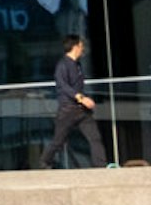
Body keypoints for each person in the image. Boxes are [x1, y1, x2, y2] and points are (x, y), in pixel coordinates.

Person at [44, 38, 106, 171]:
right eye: (81, 45)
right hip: (68, 109)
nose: (83, 49)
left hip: (82, 110)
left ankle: (100, 166)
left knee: (95, 138)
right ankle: (45, 162)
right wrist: (81, 98)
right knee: (58, 141)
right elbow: (63, 86)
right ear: (75, 46)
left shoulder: (77, 64)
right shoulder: (62, 65)